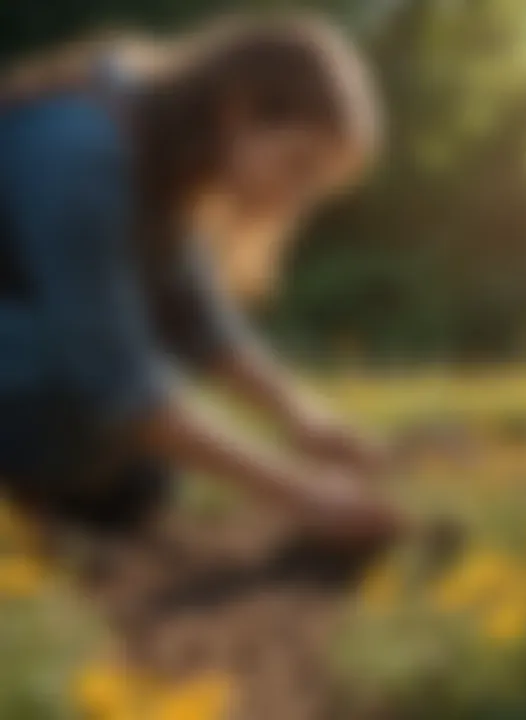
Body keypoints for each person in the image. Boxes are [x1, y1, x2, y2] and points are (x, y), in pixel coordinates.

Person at [0, 13, 403, 545]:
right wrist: (301, 491)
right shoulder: (85, 154)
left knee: (141, 482)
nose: (293, 201)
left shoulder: (158, 149)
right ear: (238, 112)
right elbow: (119, 381)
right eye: (296, 165)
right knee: (81, 402)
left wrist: (305, 418)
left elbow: (199, 319)